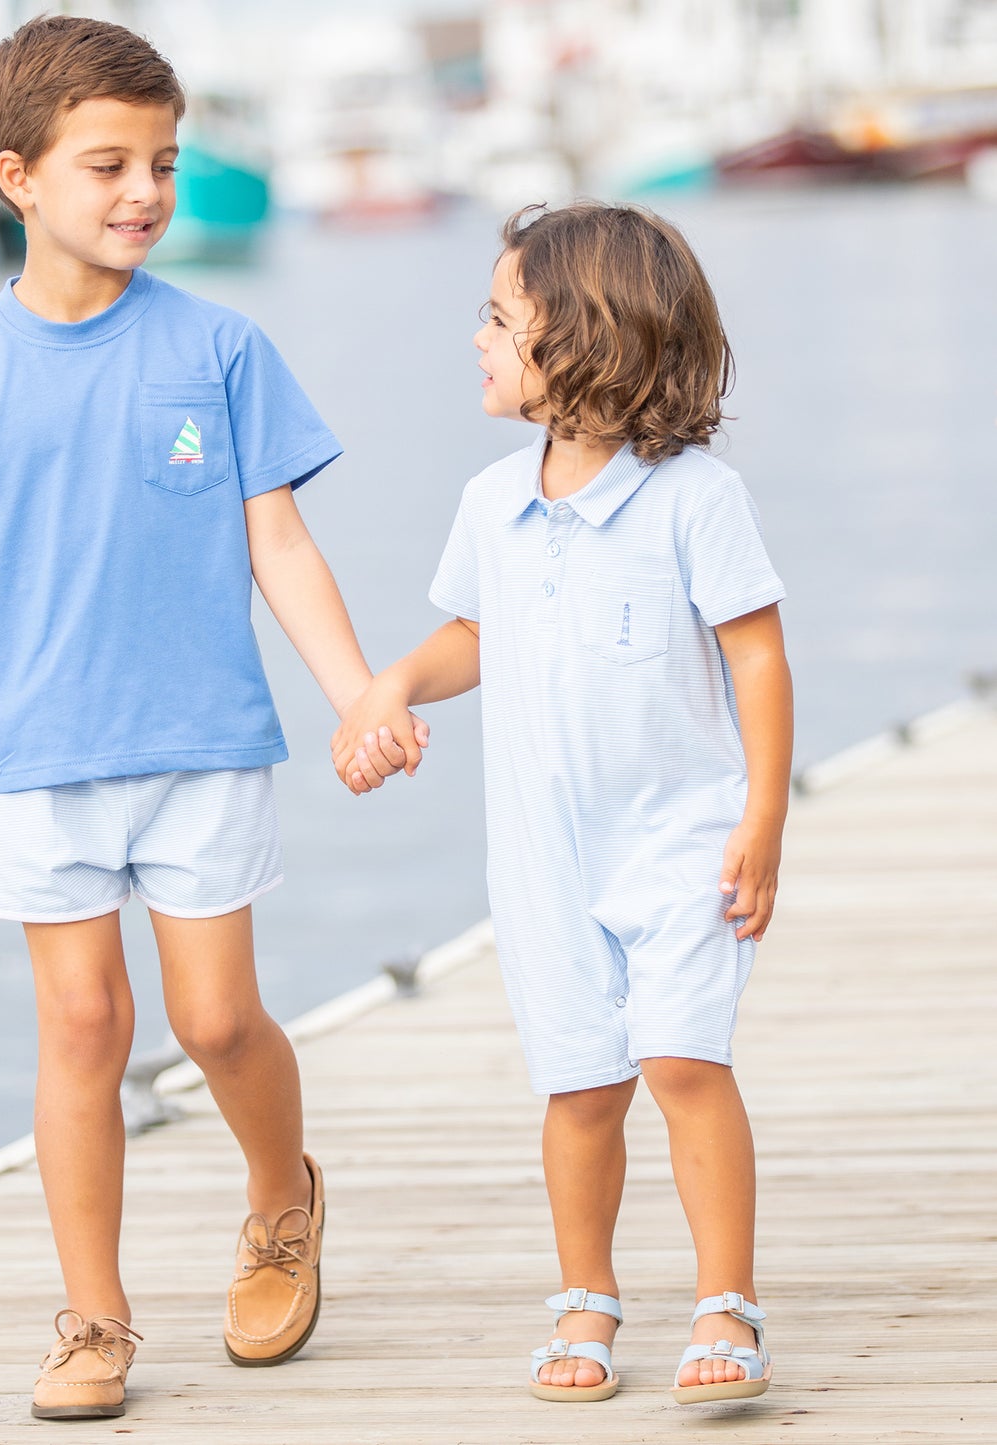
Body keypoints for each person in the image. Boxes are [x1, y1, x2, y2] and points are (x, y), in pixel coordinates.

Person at [0, 15, 420, 1422]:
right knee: (81, 1026)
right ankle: (92, 1316)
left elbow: (275, 540)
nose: (146, 191)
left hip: (203, 742)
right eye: (108, 163)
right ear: (16, 177)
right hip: (32, 755)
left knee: (219, 1020)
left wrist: (356, 689)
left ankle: (281, 1198)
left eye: (163, 163)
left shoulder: (218, 346)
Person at [334, 202, 792, 1406]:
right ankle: (584, 1294)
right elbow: (475, 632)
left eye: (498, 319)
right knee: (580, 1084)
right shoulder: (491, 501)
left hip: (683, 840)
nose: (475, 339)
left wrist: (760, 821)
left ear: (584, 339)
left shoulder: (693, 497)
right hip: (542, 857)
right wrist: (391, 683)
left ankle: (725, 1297)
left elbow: (755, 656)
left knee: (681, 1058)